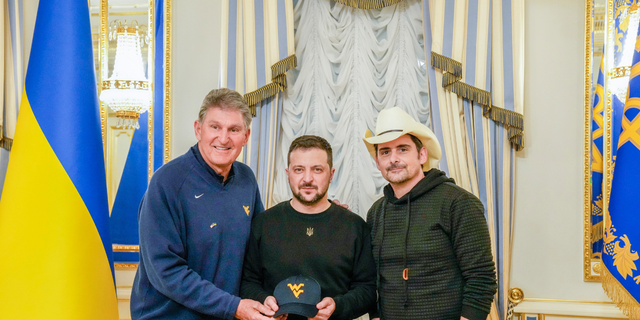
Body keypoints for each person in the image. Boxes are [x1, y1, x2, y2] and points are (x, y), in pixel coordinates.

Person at [130, 88, 274, 320]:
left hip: (226, 314)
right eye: (215, 127)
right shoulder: (167, 182)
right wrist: (234, 307)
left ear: (246, 137)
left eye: (234, 130)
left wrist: (321, 212)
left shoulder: (246, 178)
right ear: (199, 129)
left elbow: (260, 249)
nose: (224, 138)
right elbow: (166, 271)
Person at [363, 107, 497, 320]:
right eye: (385, 151)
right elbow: (373, 279)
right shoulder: (376, 212)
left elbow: (481, 278)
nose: (393, 158)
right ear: (378, 162)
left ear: (422, 154)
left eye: (403, 149)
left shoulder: (459, 203)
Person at [240, 135, 377, 320]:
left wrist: (337, 306)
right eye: (299, 169)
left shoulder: (355, 227)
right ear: (288, 173)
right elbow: (248, 282)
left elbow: (367, 289)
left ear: (331, 174)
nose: (307, 178)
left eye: (317, 169)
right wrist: (264, 300)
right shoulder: (263, 224)